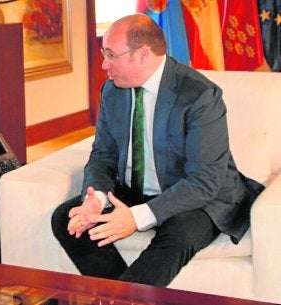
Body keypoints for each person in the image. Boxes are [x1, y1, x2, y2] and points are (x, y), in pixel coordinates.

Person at [51, 14, 263, 287]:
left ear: (142, 54)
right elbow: (103, 154)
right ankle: (122, 295)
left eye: (111, 55)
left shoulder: (199, 95)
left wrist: (136, 218)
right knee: (67, 220)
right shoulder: (112, 91)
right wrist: (97, 198)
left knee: (179, 234)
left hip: (197, 196)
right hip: (134, 189)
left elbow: (204, 181)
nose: (104, 64)